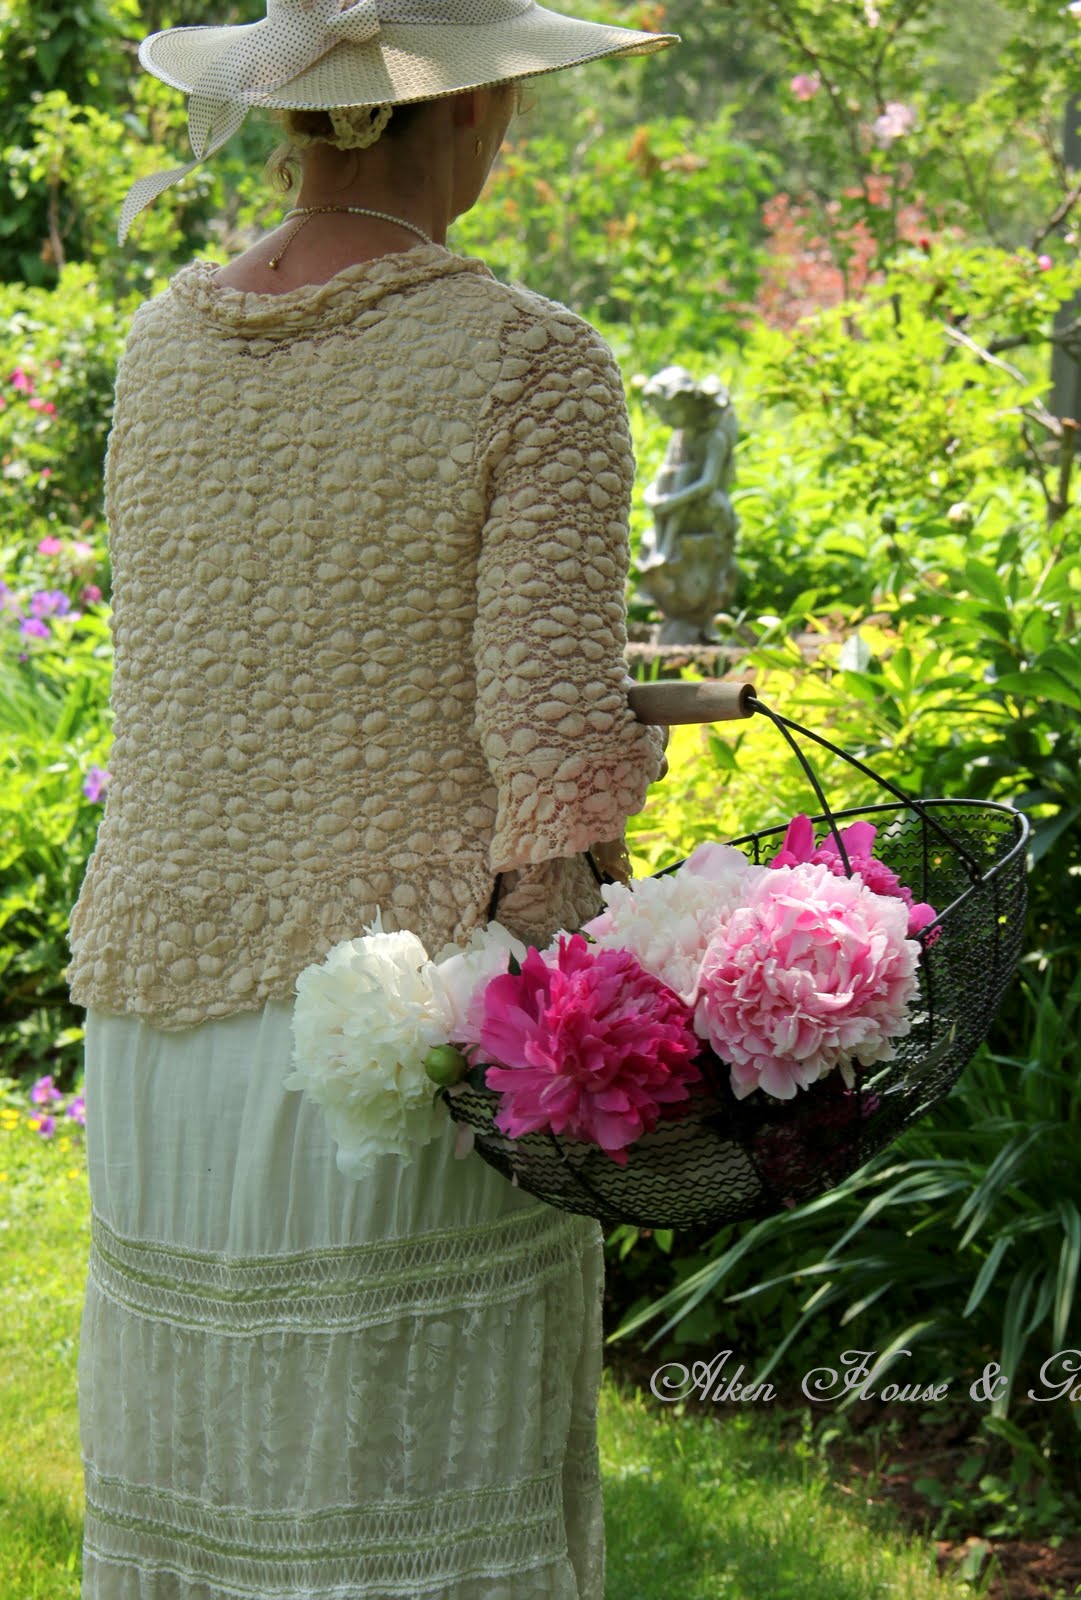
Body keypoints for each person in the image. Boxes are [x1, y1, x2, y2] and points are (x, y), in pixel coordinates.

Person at [65, 1, 678, 1594]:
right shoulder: (533, 362)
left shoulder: (162, 347)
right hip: (394, 1044)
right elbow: (545, 772)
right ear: (474, 110)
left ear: (287, 113)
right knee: (405, 1530)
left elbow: (231, 660)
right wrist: (588, 1016)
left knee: (202, 1516)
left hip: (161, 1023)